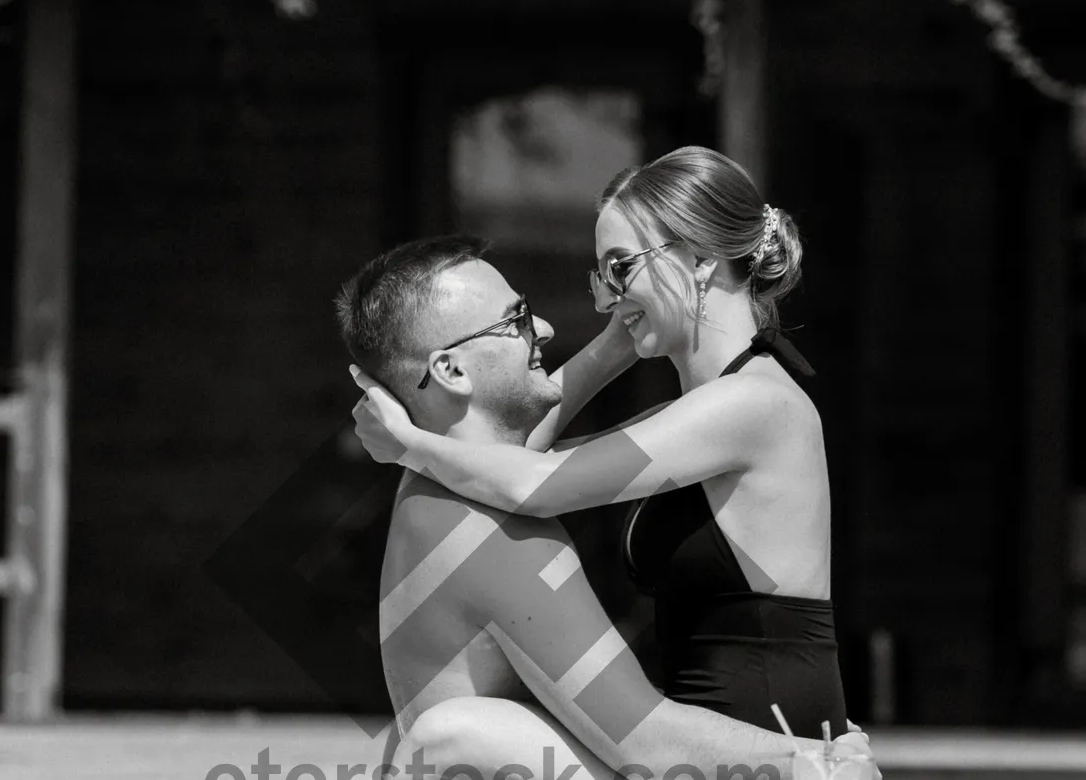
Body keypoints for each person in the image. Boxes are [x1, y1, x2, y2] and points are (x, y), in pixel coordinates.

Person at [274, 234, 870, 780]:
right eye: (518, 320)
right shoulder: (492, 532)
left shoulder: (444, 488)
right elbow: (648, 742)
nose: (547, 329)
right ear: (452, 368)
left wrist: (611, 351)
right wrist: (824, 767)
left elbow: (514, 459)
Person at [352, 145, 847, 744]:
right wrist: (614, 344)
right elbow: (520, 453)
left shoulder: (752, 406)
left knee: (470, 745)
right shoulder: (697, 415)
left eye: (621, 269)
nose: (605, 299)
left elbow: (533, 486)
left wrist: (407, 441)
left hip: (773, 752)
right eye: (601, 276)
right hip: (725, 748)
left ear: (698, 260)